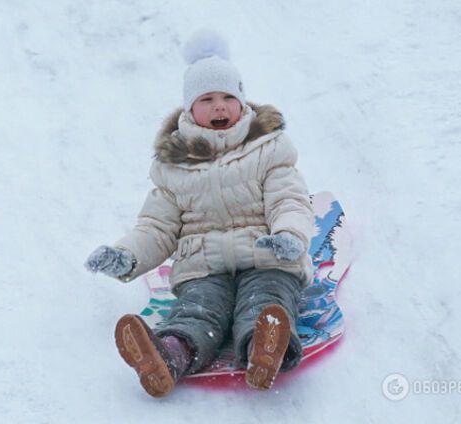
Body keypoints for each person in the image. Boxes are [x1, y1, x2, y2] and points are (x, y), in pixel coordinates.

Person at [85, 30, 314, 397]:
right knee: (198, 313)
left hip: (265, 255)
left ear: (242, 103)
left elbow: (289, 200)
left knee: (266, 300)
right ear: (189, 110)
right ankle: (168, 355)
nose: (219, 107)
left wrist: (290, 235)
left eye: (227, 97)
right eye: (207, 99)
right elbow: (156, 227)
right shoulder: (173, 166)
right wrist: (126, 255)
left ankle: (264, 348)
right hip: (202, 266)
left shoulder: (269, 150)